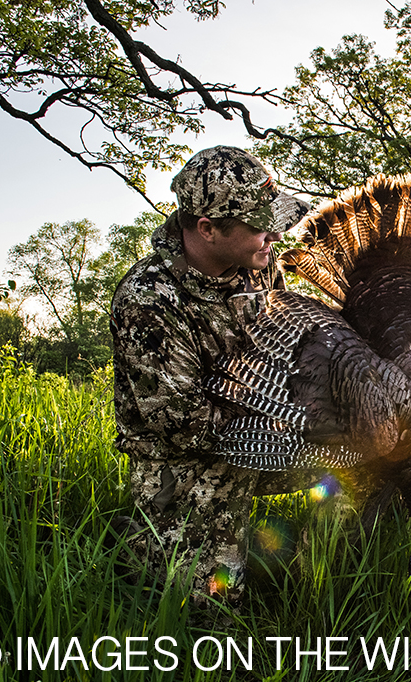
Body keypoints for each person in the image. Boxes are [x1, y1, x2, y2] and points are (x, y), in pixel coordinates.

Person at [110, 145, 310, 607]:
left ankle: (326, 561)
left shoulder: (257, 264)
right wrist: (289, 428)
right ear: (207, 229)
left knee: (381, 448)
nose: (272, 237)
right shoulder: (149, 300)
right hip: (185, 462)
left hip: (265, 430)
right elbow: (181, 424)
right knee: (210, 610)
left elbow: (285, 342)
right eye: (260, 226)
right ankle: (150, 536)